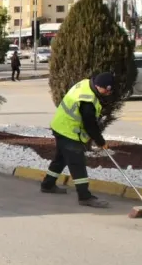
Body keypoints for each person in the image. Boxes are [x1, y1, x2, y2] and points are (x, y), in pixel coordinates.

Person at [40, 72, 114, 208]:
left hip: (60, 126)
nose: (108, 93)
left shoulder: (86, 84)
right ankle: (84, 197)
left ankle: (47, 184)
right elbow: (90, 124)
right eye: (107, 90)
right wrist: (101, 141)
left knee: (61, 158)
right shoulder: (87, 100)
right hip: (68, 131)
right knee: (77, 164)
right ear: (99, 86)